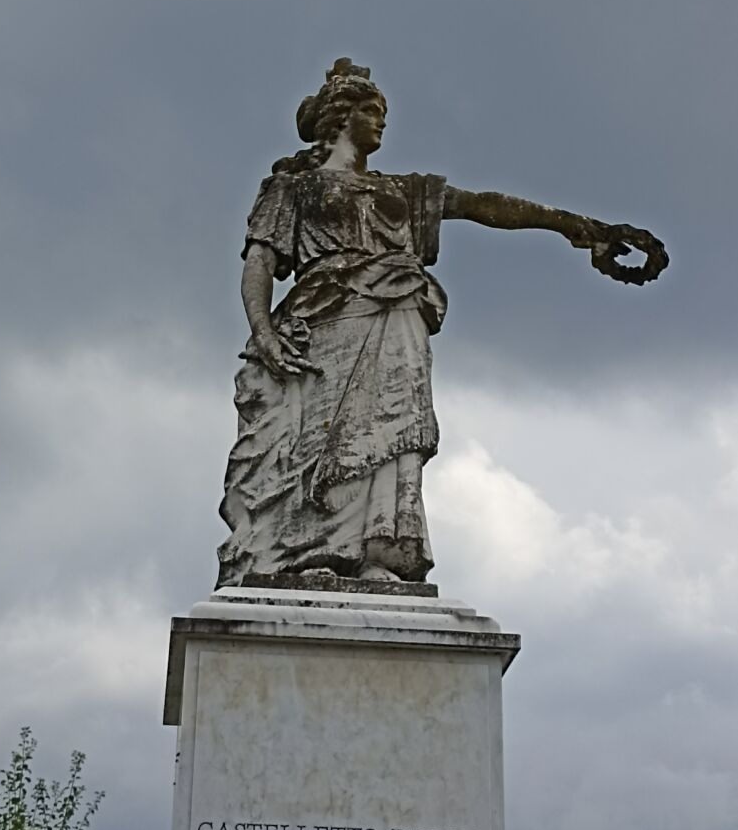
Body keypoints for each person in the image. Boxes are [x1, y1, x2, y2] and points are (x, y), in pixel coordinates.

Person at [216, 58, 667, 588]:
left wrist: (577, 226)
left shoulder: (402, 191)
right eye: (372, 111)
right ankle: (306, 552)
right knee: (318, 441)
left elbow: (484, 206)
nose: (382, 121)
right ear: (341, 117)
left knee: (390, 432)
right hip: (328, 321)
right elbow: (260, 261)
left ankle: (377, 553)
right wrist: (264, 333)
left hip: (398, 317)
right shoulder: (294, 188)